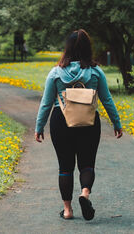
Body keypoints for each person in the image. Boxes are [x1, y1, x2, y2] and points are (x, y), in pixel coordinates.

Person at [34, 29, 123, 221]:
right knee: (87, 164)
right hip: (89, 122)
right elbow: (107, 100)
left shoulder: (56, 73)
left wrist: (39, 127)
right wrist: (117, 123)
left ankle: (67, 210)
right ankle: (84, 194)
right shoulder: (95, 72)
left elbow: (46, 102)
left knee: (65, 167)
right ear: (87, 49)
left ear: (67, 49)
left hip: (61, 121)